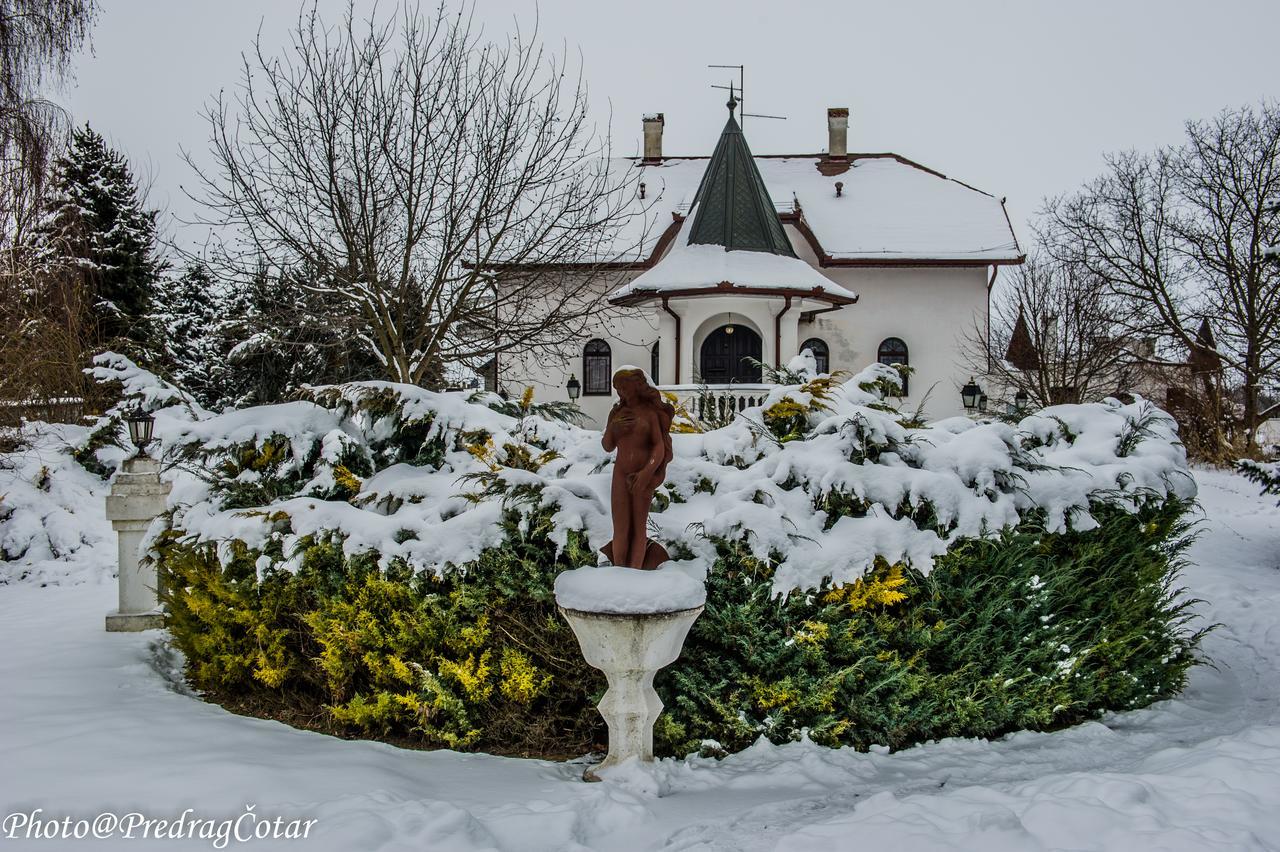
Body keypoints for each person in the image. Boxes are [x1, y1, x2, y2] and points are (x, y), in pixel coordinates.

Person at [600, 367, 674, 569]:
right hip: (620, 474)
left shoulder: (649, 414)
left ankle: (635, 573)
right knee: (621, 528)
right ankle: (619, 572)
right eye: (617, 388)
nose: (620, 392)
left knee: (639, 528)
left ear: (638, 386)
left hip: (641, 477)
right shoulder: (616, 413)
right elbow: (607, 446)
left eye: (624, 387)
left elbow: (658, 447)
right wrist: (613, 428)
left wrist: (646, 472)